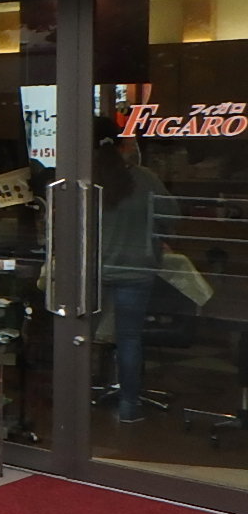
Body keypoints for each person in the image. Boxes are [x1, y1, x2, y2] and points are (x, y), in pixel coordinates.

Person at [94, 117, 169, 423]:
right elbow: (172, 215)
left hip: (92, 271)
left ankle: (72, 408)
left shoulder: (83, 180)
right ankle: (128, 407)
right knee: (129, 339)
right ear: (123, 144)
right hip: (136, 269)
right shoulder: (145, 178)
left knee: (79, 337)